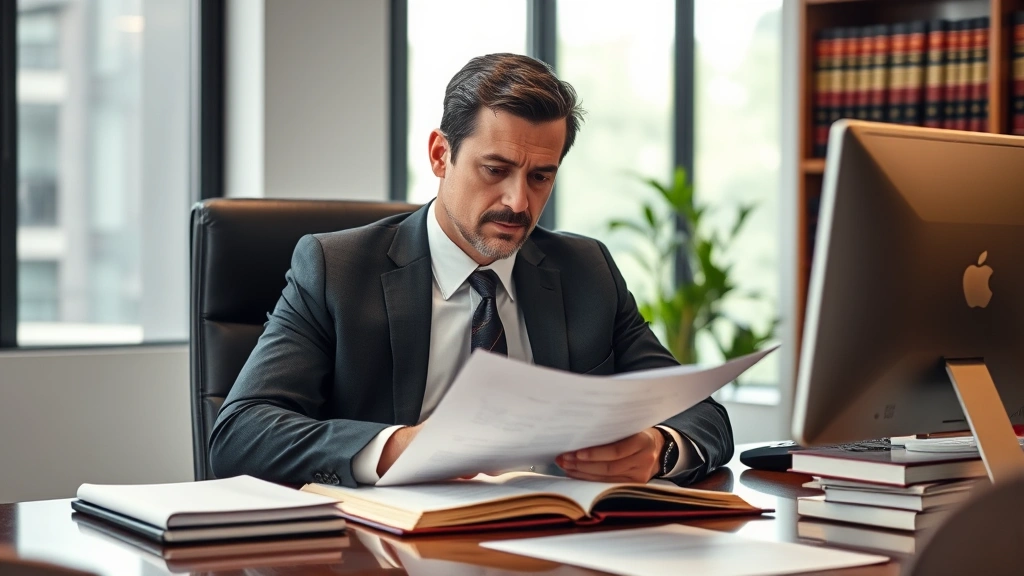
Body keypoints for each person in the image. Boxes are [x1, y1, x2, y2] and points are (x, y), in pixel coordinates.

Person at [209, 53, 733, 488]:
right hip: (394, 552)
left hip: (562, 541)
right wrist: (398, 447)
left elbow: (702, 414)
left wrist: (659, 449)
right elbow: (240, 433)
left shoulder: (585, 270)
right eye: (496, 170)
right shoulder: (337, 270)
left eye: (540, 177)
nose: (518, 201)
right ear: (441, 155)